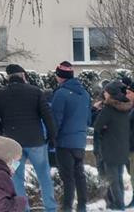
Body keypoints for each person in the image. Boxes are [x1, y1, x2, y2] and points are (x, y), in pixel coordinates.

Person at [0, 63, 58, 212]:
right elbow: (47, 116)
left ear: (8, 78)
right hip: (36, 143)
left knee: (16, 178)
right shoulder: (36, 92)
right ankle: (50, 208)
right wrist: (52, 136)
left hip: (12, 147)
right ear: (23, 76)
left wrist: (3, 133)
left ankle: (22, 208)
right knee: (43, 175)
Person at [49, 61, 92, 212]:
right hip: (80, 142)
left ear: (61, 77)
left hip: (64, 142)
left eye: (57, 75)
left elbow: (56, 120)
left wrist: (51, 138)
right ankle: (82, 207)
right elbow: (88, 119)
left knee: (68, 178)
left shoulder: (60, 94)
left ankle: (67, 208)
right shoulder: (85, 94)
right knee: (79, 176)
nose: (56, 78)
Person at [94, 81, 132, 210]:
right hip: (122, 148)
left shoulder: (108, 109)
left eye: (105, 91)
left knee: (113, 180)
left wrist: (98, 112)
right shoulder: (126, 107)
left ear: (110, 94)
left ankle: (119, 206)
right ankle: (120, 204)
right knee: (119, 179)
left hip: (109, 148)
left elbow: (97, 126)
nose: (104, 93)